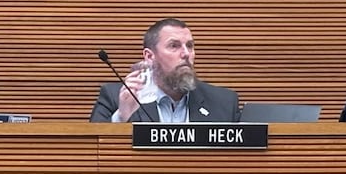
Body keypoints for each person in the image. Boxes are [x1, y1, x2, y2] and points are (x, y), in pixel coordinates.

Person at [90, 17, 241, 123]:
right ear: (149, 56)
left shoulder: (224, 102)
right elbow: (93, 151)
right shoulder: (115, 98)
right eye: (174, 46)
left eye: (189, 46)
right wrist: (122, 117)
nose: (186, 54)